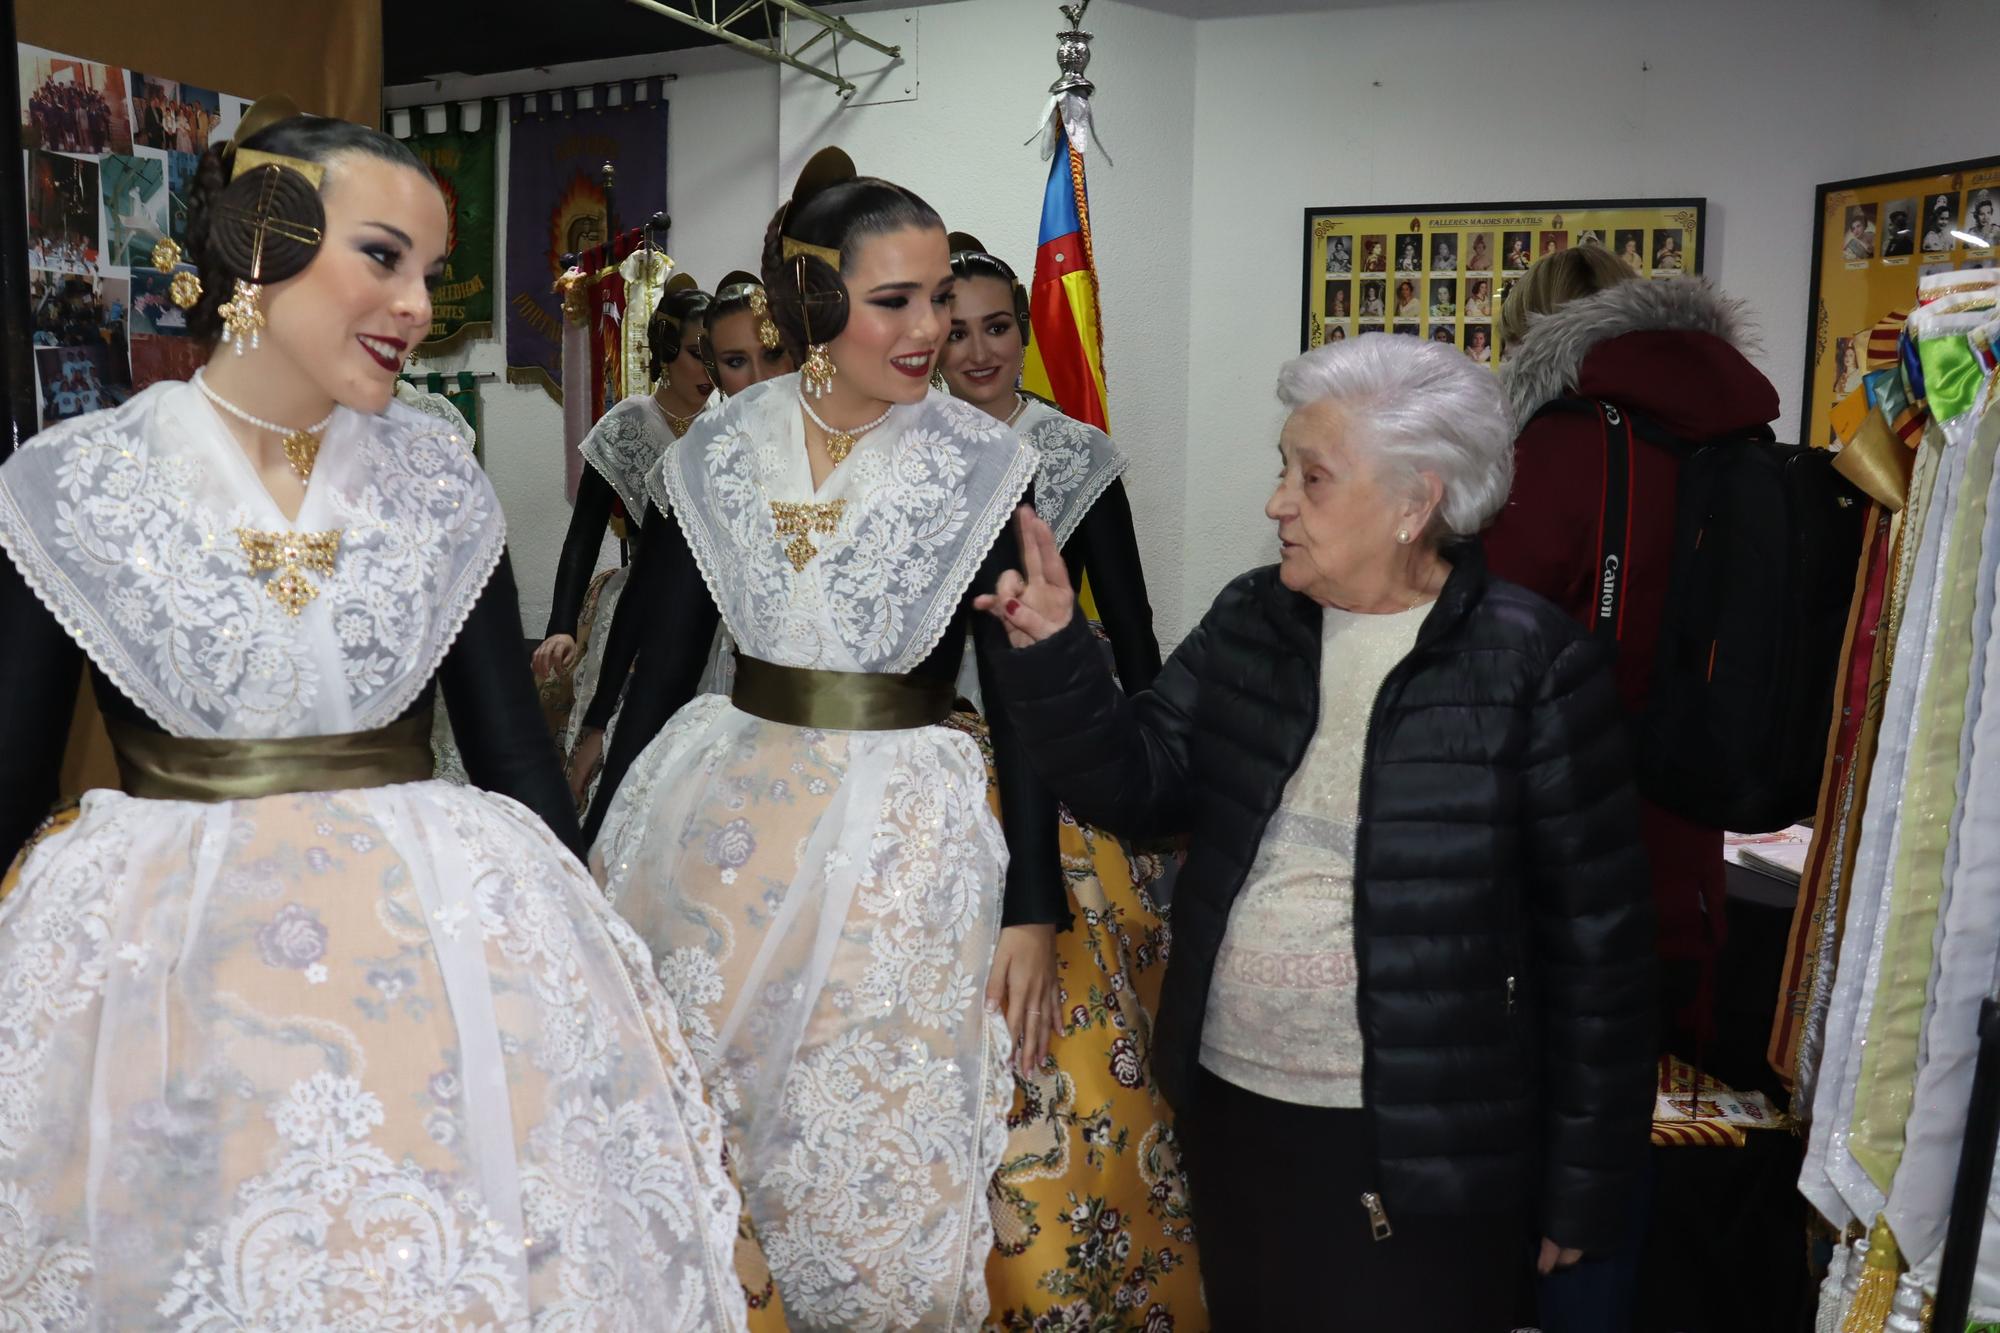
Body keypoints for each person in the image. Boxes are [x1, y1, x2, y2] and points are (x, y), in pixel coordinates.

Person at [0, 101, 751, 1329]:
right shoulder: (73, 483)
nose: (415, 305)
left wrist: (595, 993)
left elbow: (511, 748)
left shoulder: (438, 475)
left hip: (426, 977)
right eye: (383, 258)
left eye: (432, 274)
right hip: (171, 992)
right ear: (258, 243)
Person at [976, 333, 1656, 1330]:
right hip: (1234, 1108)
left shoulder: (1532, 666)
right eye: (1281, 470)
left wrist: (1585, 1180)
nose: (1276, 502)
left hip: (1422, 1142)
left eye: (1311, 477)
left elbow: (1599, 954)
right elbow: (1141, 783)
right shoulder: (1256, 619)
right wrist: (1056, 660)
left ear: (1414, 501)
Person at [584, 148, 1064, 1329]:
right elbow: (656, 665)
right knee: (708, 1114)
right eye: (895, 301)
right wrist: (584, 853)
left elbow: (1020, 695)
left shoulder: (984, 462)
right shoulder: (717, 449)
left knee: (864, 1146)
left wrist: (1033, 905)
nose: (932, 331)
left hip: (900, 841)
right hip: (720, 826)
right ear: (812, 305)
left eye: (939, 298)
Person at [1490, 247, 1779, 1327]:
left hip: (1550, 858)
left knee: (1529, 1167)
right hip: (1680, 853)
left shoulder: (1561, 450)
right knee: (1612, 1144)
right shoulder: (1730, 442)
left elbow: (1482, 650)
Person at [938, 233, 1199, 1325]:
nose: (979, 348)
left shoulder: (1072, 453)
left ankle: (1075, 1245)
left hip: (1059, 754)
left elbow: (1132, 627)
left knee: (1081, 1030)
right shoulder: (901, 448)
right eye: (954, 329)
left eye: (999, 325)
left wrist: (1157, 772)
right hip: (933, 765)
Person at [566, 271, 796, 801]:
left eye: (773, 353)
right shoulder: (699, 465)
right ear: (716, 371)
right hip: (722, 681)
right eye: (736, 363)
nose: (759, 379)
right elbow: (649, 598)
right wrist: (602, 723)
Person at [539, 280, 712, 765]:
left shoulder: (727, 420)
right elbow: (584, 533)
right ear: (665, 349)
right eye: (699, 354)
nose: (710, 372)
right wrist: (561, 625)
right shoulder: (627, 423)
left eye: (718, 356)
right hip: (641, 605)